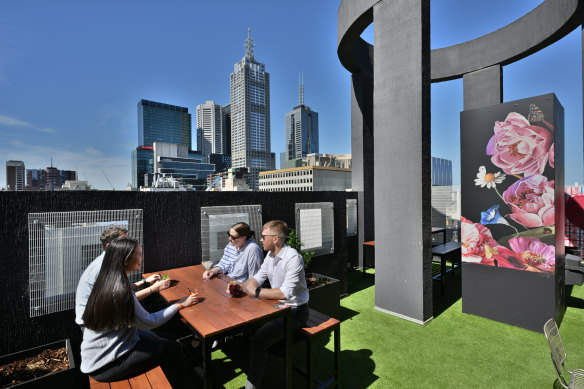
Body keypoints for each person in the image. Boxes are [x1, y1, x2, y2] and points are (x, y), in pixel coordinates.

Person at [80, 237, 198, 388]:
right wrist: (180, 304)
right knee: (173, 349)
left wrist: (151, 336)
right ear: (126, 259)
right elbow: (150, 322)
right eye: (139, 254)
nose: (142, 257)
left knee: (168, 338)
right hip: (107, 365)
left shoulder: (108, 280)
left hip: (105, 353)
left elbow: (131, 324)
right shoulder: (120, 290)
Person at [229, 220, 309, 389]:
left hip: (295, 311)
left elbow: (284, 293)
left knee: (259, 340)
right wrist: (241, 286)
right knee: (245, 323)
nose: (260, 240)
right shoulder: (270, 256)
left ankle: (251, 387)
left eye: (264, 237)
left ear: (275, 239)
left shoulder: (293, 258)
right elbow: (258, 277)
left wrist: (256, 292)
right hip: (277, 308)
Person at [75, 227, 170, 327]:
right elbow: (124, 299)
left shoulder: (109, 261)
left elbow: (122, 291)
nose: (128, 245)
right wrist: (154, 288)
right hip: (94, 324)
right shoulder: (103, 268)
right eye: (124, 241)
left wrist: (144, 281)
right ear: (109, 246)